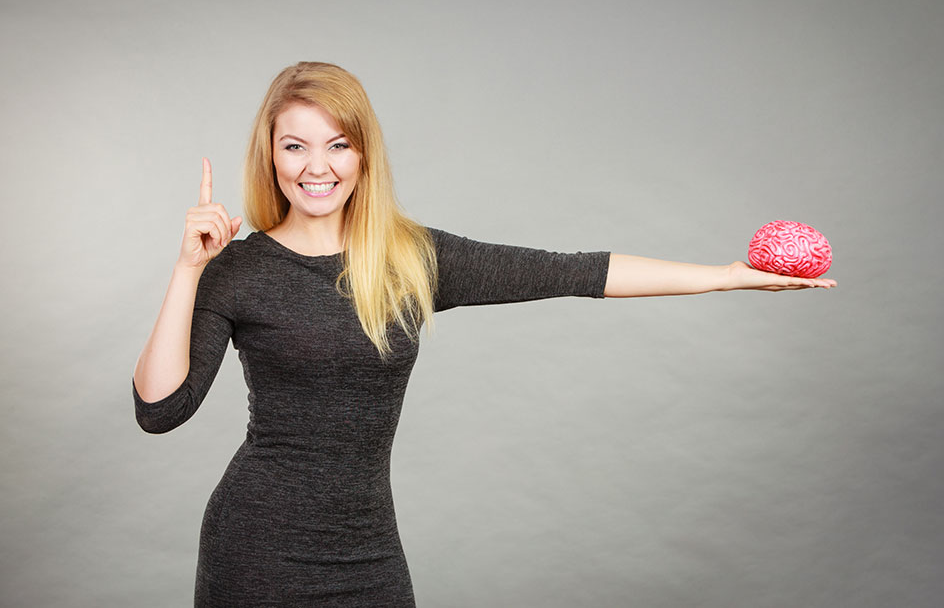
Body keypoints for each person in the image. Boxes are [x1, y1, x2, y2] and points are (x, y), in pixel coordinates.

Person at [132, 61, 837, 606]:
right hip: (256, 548)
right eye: (296, 145)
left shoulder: (411, 258)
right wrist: (190, 267)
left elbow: (574, 271)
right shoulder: (239, 269)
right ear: (273, 156)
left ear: (363, 154)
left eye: (337, 144)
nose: (317, 166)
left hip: (366, 549)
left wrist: (725, 275)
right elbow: (160, 408)